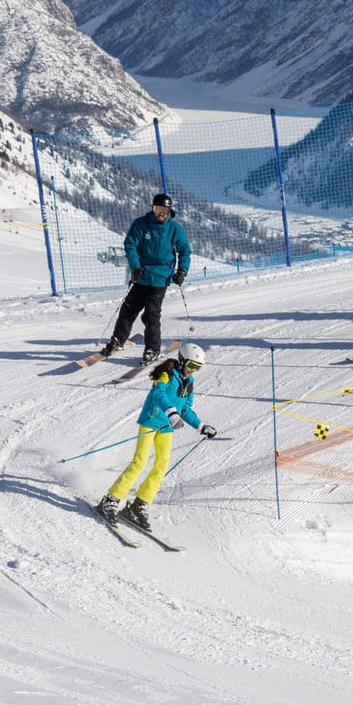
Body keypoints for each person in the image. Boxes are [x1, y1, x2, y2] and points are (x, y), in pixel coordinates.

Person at [97, 345, 217, 531]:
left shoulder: (189, 382)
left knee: (161, 465)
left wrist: (201, 426)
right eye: (192, 365)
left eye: (197, 368)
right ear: (183, 360)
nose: (193, 370)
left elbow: (185, 409)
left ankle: (139, 504)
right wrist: (171, 412)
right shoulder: (167, 374)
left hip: (166, 428)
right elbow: (157, 394)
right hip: (151, 421)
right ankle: (111, 500)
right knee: (139, 461)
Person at [103, 193, 191, 363]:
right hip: (141, 275)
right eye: (158, 209)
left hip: (160, 278)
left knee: (151, 314)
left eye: (165, 210)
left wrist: (182, 271)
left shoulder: (175, 229)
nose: (161, 213)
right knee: (128, 310)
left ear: (169, 211)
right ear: (152, 208)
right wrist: (135, 266)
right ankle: (118, 340)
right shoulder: (141, 224)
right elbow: (130, 244)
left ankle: (152, 349)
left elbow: (184, 250)